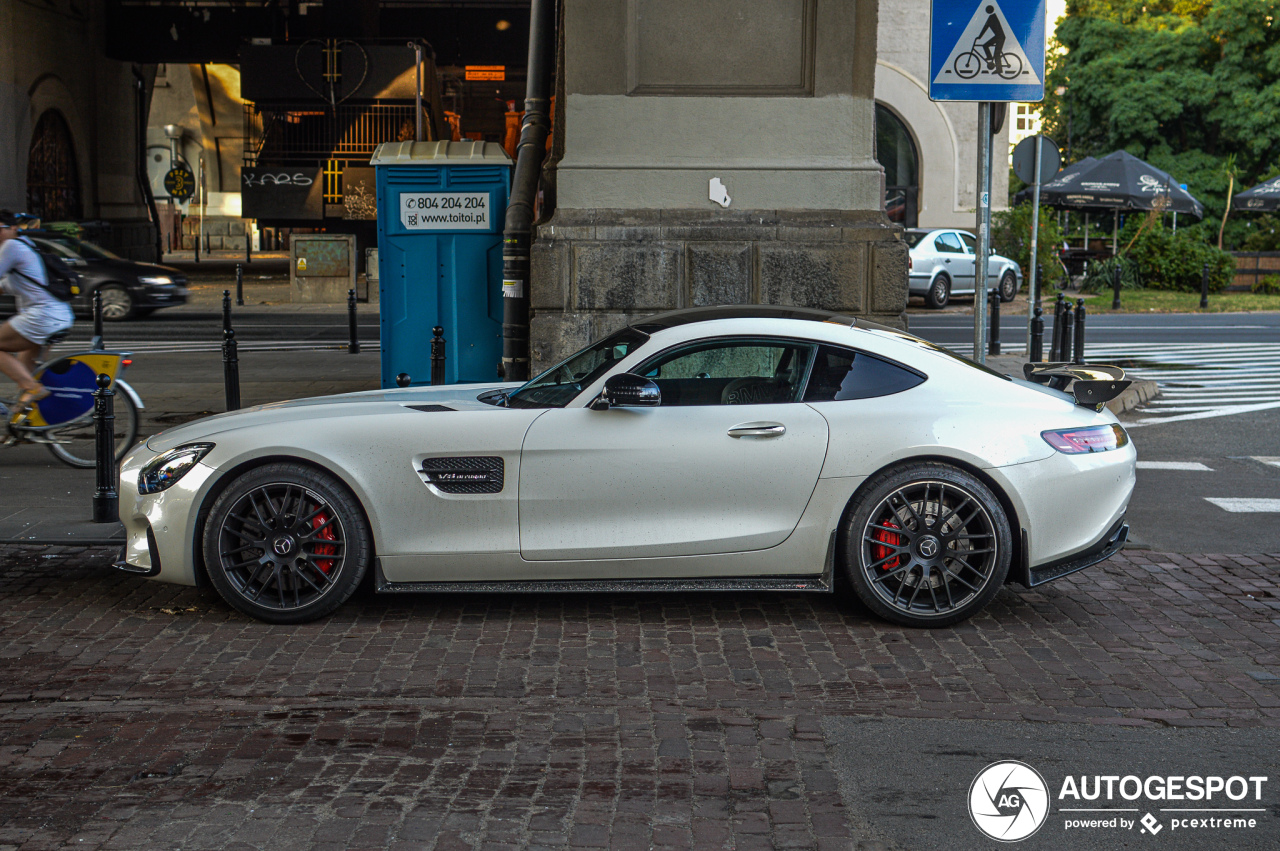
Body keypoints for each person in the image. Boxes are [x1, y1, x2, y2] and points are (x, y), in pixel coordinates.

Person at [0, 210, 75, 408]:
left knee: (29, 383)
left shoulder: (12, 246)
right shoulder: (25, 246)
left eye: (0, 229)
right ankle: (18, 431)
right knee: (25, 373)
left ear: (13, 229)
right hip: (55, 316)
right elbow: (6, 285)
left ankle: (34, 388)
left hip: (41, 317)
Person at [977, 5, 1006, 73]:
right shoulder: (992, 17)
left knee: (996, 54)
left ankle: (999, 69)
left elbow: (985, 27)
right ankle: (990, 57)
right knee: (985, 45)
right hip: (998, 36)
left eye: (987, 9)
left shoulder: (992, 17)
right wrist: (979, 37)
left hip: (1000, 37)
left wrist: (980, 37)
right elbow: (986, 27)